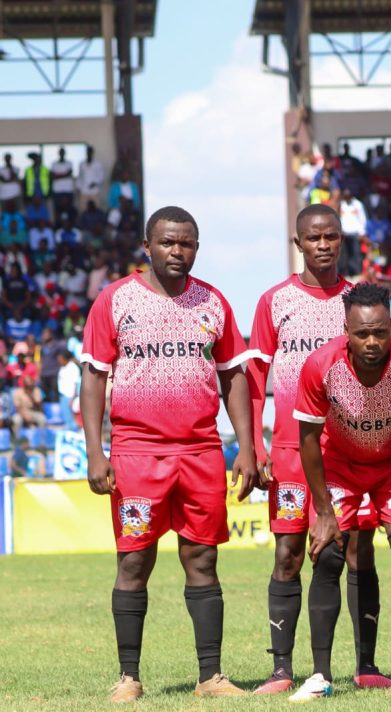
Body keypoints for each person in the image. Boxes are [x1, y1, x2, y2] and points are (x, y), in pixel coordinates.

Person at [80, 206, 256, 702]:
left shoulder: (212, 302)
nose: (178, 252)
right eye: (168, 243)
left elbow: (233, 375)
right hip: (137, 452)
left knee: (202, 556)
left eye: (188, 244)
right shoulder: (114, 301)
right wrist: (97, 451)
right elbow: (93, 377)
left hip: (200, 450)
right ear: (147, 245)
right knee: (134, 560)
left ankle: (211, 677)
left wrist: (244, 446)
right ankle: (128, 677)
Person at [245, 205, 391, 695]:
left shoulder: (359, 301)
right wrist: (254, 446)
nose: (323, 245)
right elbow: (254, 379)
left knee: (357, 550)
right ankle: (282, 670)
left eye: (332, 236)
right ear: (299, 243)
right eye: (314, 238)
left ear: (341, 241)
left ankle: (366, 665)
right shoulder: (274, 302)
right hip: (290, 449)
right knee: (289, 552)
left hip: (349, 450)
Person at [289, 283, 391, 700]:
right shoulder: (320, 365)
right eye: (362, 334)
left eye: (380, 331)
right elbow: (307, 440)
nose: (372, 342)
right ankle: (320, 676)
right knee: (327, 555)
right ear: (346, 330)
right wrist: (323, 512)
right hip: (340, 468)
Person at [56, 348, 80, 431]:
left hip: (69, 397)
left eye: (60, 358)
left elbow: (76, 384)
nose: (58, 360)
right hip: (63, 397)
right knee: (66, 420)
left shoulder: (73, 368)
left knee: (71, 421)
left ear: (64, 358)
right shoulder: (62, 368)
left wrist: (72, 399)